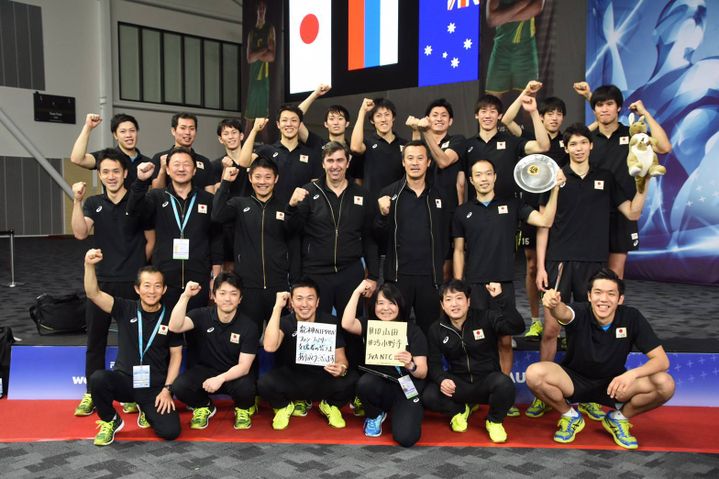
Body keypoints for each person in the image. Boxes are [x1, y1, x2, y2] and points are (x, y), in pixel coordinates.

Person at [527, 123, 653, 419]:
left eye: (584, 142)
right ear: (566, 148)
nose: (579, 148)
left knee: (591, 334)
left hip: (594, 266)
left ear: (591, 146)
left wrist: (644, 181)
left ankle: (591, 394)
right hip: (560, 263)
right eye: (574, 144)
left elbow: (632, 212)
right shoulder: (555, 178)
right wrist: (541, 267)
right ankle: (541, 397)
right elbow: (544, 224)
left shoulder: (606, 178)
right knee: (551, 330)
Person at [452, 157, 563, 416]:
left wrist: (555, 187)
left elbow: (545, 220)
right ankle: (475, 393)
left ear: (494, 177)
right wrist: (459, 287)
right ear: (471, 180)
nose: (483, 178)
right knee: (475, 343)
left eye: (488, 173)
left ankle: (503, 396)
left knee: (504, 341)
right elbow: (458, 250)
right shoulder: (462, 212)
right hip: (474, 286)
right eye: (478, 175)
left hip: (503, 285)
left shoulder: (512, 205)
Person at [526, 268, 675, 449]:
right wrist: (554, 304)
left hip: (613, 385)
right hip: (573, 381)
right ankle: (570, 416)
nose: (603, 299)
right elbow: (563, 313)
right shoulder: (579, 311)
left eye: (611, 294)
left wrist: (631, 375)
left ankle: (618, 419)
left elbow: (662, 361)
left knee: (665, 384)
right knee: (534, 373)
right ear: (589, 296)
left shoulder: (631, 317)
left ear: (620, 299)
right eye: (597, 293)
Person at [71, 149, 147, 418]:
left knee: (137, 341)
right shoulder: (93, 202)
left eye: (116, 171)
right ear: (100, 175)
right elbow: (80, 233)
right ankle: (91, 392)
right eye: (105, 172)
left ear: (125, 173)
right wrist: (77, 201)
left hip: (132, 283)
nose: (111, 176)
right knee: (96, 340)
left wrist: (138, 268)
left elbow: (151, 239)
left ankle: (134, 393)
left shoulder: (139, 201)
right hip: (102, 282)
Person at [84, 249, 182, 446]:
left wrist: (167, 389)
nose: (151, 291)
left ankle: (146, 410)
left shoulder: (172, 317)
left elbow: (176, 355)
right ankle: (111, 421)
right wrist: (89, 265)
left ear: (163, 290)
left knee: (170, 431)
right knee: (98, 379)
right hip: (125, 380)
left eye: (157, 286)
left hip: (154, 386)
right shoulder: (124, 308)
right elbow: (92, 293)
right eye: (146, 286)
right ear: (137, 289)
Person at [574, 82, 671, 278]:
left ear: (619, 107)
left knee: (615, 273)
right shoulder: (587, 140)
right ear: (593, 109)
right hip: (590, 213)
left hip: (623, 210)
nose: (605, 109)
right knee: (589, 272)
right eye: (599, 105)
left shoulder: (633, 135)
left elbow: (663, 147)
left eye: (610, 104)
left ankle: (613, 309)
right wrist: (590, 97)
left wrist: (645, 113)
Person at [501, 81, 569, 340]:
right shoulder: (528, 138)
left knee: (562, 266)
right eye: (549, 113)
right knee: (532, 266)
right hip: (531, 208)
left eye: (558, 113)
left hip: (562, 211)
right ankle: (536, 319)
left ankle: (561, 320)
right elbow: (507, 119)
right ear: (541, 116)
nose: (554, 117)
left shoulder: (569, 140)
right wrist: (525, 95)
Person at [423, 280, 524, 443]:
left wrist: (501, 299)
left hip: (486, 382)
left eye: (459, 298)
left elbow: (517, 327)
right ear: (442, 305)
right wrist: (442, 379)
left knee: (505, 385)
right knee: (429, 394)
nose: (454, 304)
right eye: (448, 300)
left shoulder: (486, 317)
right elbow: (433, 364)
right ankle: (459, 410)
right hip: (459, 385)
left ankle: (494, 421)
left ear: (468, 301)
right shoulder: (437, 329)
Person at [127, 147, 223, 315]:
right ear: (168, 170)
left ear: (194, 170)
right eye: (176, 164)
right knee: (167, 332)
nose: (181, 168)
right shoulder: (156, 197)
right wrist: (141, 182)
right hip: (164, 279)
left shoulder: (207, 200)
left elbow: (216, 239)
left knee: (196, 331)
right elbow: (133, 213)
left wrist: (215, 277)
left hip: (197, 277)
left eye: (186, 164)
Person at [258, 278, 358, 430]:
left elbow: (341, 356)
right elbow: (270, 347)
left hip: (322, 379)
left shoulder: (329, 321)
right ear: (291, 302)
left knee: (353, 378)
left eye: (310, 299)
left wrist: (341, 367)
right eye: (299, 299)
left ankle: (330, 405)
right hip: (292, 379)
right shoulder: (285, 322)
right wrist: (277, 307)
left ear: (317, 302)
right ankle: (284, 406)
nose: (304, 304)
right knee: (264, 383)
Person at [212, 156, 297, 332]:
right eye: (257, 177)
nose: (262, 182)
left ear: (276, 179)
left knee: (281, 338)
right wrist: (225, 182)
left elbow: (294, 246)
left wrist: (293, 286)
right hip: (248, 288)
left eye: (267, 177)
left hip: (279, 287)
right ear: (250, 178)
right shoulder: (239, 204)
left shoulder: (285, 207)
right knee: (248, 339)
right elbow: (217, 215)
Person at [375, 140, 449, 336]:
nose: (415, 163)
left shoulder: (439, 196)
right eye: (410, 158)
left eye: (420, 158)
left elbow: (445, 236)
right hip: (398, 277)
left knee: (431, 332)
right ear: (403, 162)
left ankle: (430, 367)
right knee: (395, 331)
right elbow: (377, 237)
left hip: (430, 278)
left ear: (428, 162)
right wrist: (382, 216)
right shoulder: (389, 194)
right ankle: (395, 369)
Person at [342, 280, 428, 446]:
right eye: (380, 303)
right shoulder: (370, 325)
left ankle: (401, 413)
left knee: (406, 438)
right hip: (380, 385)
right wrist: (357, 292)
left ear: (399, 305)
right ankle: (375, 414)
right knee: (364, 383)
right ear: (374, 306)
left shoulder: (413, 331)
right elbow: (347, 323)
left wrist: (410, 364)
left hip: (406, 387)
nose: (386, 308)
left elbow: (422, 372)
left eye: (391, 303)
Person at [168, 274, 259, 430]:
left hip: (233, 374)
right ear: (213, 296)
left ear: (240, 298)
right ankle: (204, 406)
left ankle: (242, 409)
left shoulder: (249, 326)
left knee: (247, 388)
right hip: (205, 372)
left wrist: (220, 378)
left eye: (233, 293)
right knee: (179, 387)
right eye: (222, 293)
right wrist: (185, 296)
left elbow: (244, 367)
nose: (228, 298)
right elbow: (175, 326)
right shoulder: (200, 315)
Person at [458, 94, 549, 203]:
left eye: (492, 111)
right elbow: (460, 182)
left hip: (508, 209)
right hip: (477, 209)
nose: (488, 116)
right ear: (476, 115)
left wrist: (533, 112)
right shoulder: (467, 145)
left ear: (500, 115)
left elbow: (543, 146)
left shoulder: (511, 141)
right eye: (483, 111)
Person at [238, 106, 323, 202]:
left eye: (294, 120)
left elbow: (316, 189)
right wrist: (254, 130)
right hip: (273, 212)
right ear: (278, 124)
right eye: (284, 120)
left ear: (299, 125)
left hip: (302, 212)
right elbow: (243, 162)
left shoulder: (311, 154)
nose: (289, 124)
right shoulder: (267, 151)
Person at [70, 113, 150, 189]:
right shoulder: (106, 157)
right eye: (123, 131)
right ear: (115, 135)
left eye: (132, 130)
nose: (128, 135)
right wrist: (88, 127)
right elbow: (77, 159)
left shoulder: (147, 162)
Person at [211, 118, 248, 271]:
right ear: (220, 139)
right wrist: (224, 173)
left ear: (242, 136)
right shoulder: (214, 165)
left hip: (248, 221)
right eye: (226, 133)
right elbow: (215, 195)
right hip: (226, 225)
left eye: (234, 132)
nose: (231, 136)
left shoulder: (253, 161)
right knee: (228, 268)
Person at [350, 98, 407, 194]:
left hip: (398, 202)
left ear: (393, 118)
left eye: (387, 115)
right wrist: (362, 111)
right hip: (373, 203)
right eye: (378, 116)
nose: (383, 120)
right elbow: (355, 147)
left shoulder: (404, 144)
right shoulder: (367, 143)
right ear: (372, 120)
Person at [150, 113, 216, 193]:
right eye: (183, 128)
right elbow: (155, 192)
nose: (187, 132)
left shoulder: (205, 162)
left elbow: (210, 196)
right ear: (173, 131)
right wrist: (163, 170)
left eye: (192, 128)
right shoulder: (159, 158)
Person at [244, 0, 276, 132]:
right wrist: (264, 49)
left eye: (264, 8)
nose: (262, 10)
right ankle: (243, 151)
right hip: (253, 79)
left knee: (264, 122)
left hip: (264, 79)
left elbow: (272, 56)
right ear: (257, 10)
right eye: (260, 8)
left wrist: (256, 53)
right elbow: (250, 58)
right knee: (248, 122)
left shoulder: (270, 29)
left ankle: (266, 151)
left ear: (266, 10)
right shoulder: (252, 32)